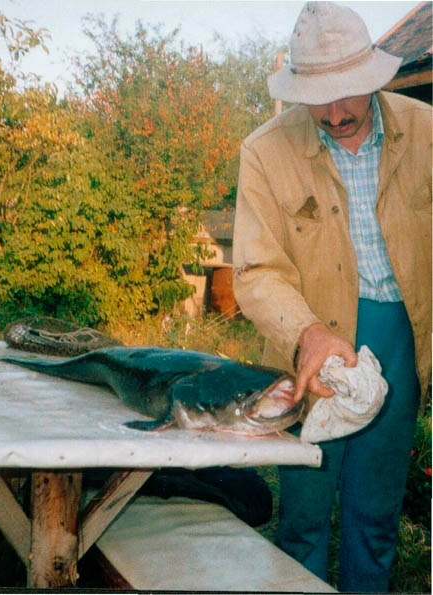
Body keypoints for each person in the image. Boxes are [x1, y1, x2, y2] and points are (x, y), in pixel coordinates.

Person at [232, 1, 432, 592]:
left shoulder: (427, 132)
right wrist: (307, 333)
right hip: (310, 341)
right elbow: (256, 270)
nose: (336, 113)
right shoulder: (264, 151)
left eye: (348, 94)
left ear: (372, 76)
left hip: (401, 334)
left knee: (376, 514)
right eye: (319, 98)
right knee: (304, 514)